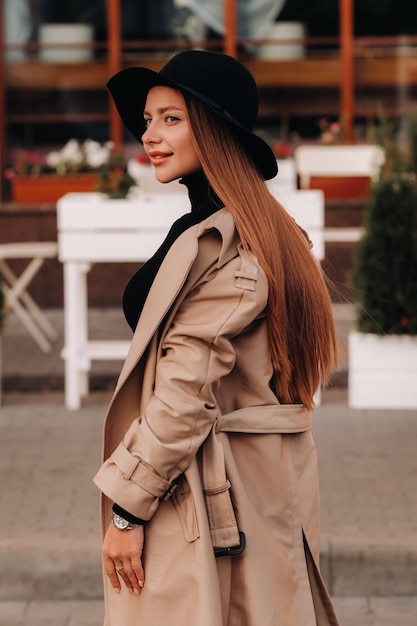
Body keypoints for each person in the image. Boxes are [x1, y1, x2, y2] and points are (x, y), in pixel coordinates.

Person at [94, 50, 340, 626]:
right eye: (149, 119)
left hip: (208, 498)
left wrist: (128, 509)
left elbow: (185, 392)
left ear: (213, 129)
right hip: (238, 488)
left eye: (171, 118)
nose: (149, 134)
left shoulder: (228, 248)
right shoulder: (237, 228)